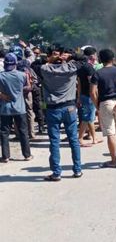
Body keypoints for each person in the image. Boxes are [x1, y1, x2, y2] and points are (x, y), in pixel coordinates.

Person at [41, 47, 83, 181]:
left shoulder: (45, 69)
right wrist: (69, 56)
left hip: (52, 109)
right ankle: (77, 170)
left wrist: (50, 59)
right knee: (73, 140)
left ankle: (56, 172)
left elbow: (34, 64)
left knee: (54, 141)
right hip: (69, 107)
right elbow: (83, 59)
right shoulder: (72, 68)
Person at [90, 49, 116, 168]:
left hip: (105, 103)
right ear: (113, 58)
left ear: (100, 59)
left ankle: (114, 161)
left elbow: (92, 93)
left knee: (111, 133)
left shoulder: (97, 74)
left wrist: (97, 106)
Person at [0, 53, 33, 162]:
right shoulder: (22, 75)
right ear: (15, 64)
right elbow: (29, 88)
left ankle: (5, 156)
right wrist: (19, 90)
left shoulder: (1, 75)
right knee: (23, 131)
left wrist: (2, 94)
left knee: (4, 133)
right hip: (20, 108)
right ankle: (27, 155)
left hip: (5, 109)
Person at [77, 47, 102, 146]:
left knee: (90, 118)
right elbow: (92, 84)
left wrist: (79, 97)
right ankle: (80, 138)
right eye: (95, 55)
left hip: (83, 95)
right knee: (87, 118)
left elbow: (79, 83)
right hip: (89, 96)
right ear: (92, 56)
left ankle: (94, 138)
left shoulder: (81, 67)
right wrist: (96, 96)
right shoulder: (89, 68)